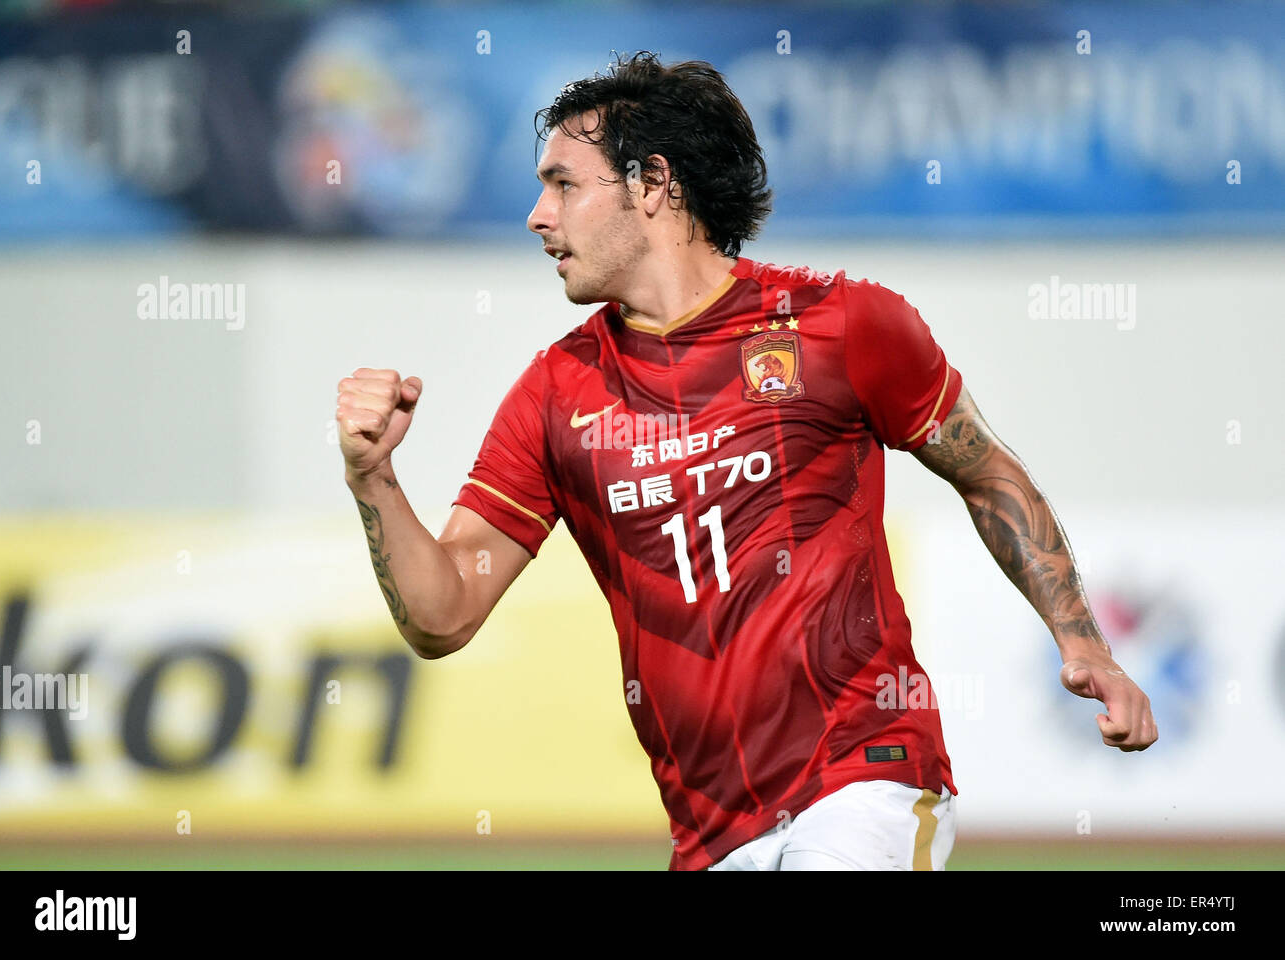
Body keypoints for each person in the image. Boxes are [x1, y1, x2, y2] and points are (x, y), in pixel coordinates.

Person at [335, 51, 1157, 871]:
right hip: (710, 837)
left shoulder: (843, 327)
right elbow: (443, 615)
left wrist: (1082, 643)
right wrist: (373, 477)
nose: (536, 217)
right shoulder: (556, 394)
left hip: (863, 781)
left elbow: (988, 473)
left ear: (653, 184)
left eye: (563, 185)